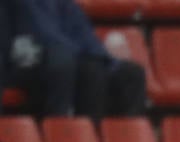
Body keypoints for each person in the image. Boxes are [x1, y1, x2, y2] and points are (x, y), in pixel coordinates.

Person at [6, 0, 147, 117]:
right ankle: (85, 140)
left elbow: (85, 35)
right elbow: (45, 36)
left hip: (67, 55)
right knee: (89, 70)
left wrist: (108, 60)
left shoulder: (64, 4)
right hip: (30, 62)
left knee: (132, 74)